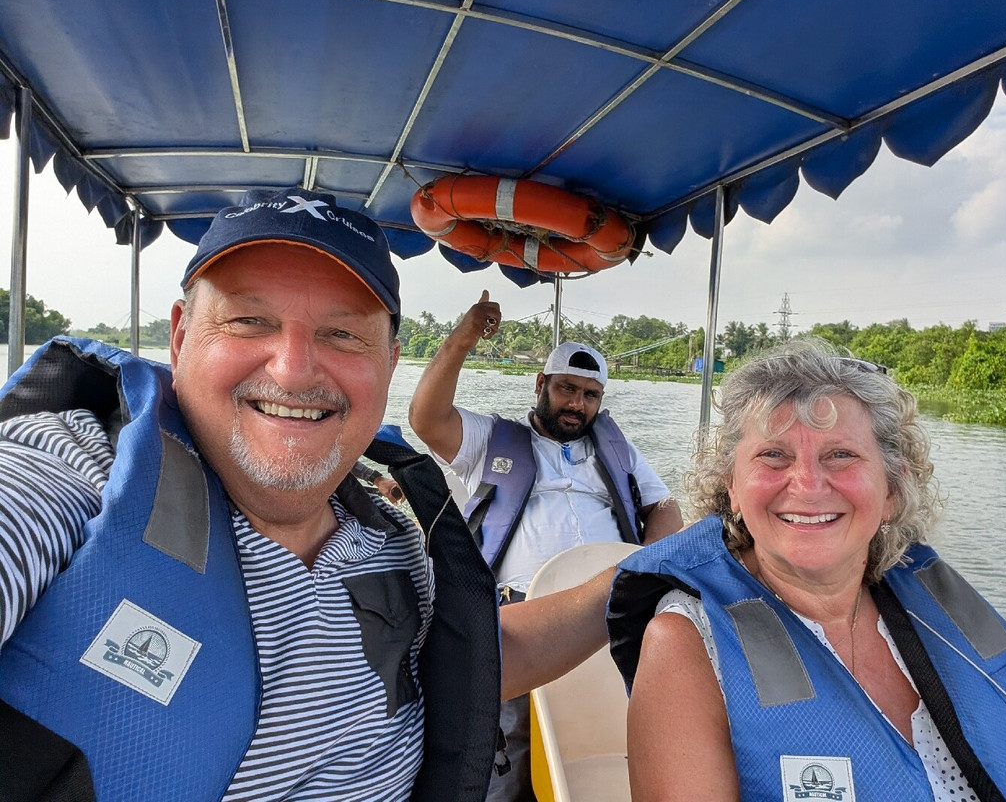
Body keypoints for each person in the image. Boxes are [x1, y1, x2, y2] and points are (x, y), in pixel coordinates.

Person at [0, 187, 616, 802]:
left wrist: (649, 572)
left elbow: (478, 657)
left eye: (343, 334)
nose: (293, 370)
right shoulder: (78, 469)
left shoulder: (395, 539)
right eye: (249, 320)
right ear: (183, 337)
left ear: (390, 363)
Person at [607, 338, 1006, 802]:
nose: (808, 485)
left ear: (890, 488)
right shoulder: (687, 642)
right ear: (734, 491)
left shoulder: (935, 607)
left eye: (840, 455)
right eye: (774, 455)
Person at [409, 295, 683, 802]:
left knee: (604, 743)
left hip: (608, 616)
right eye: (567, 389)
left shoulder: (616, 449)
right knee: (501, 757)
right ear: (541, 386)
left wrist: (649, 571)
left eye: (590, 395)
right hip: (515, 618)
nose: (577, 404)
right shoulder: (492, 438)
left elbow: (664, 505)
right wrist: (464, 336)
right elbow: (426, 418)